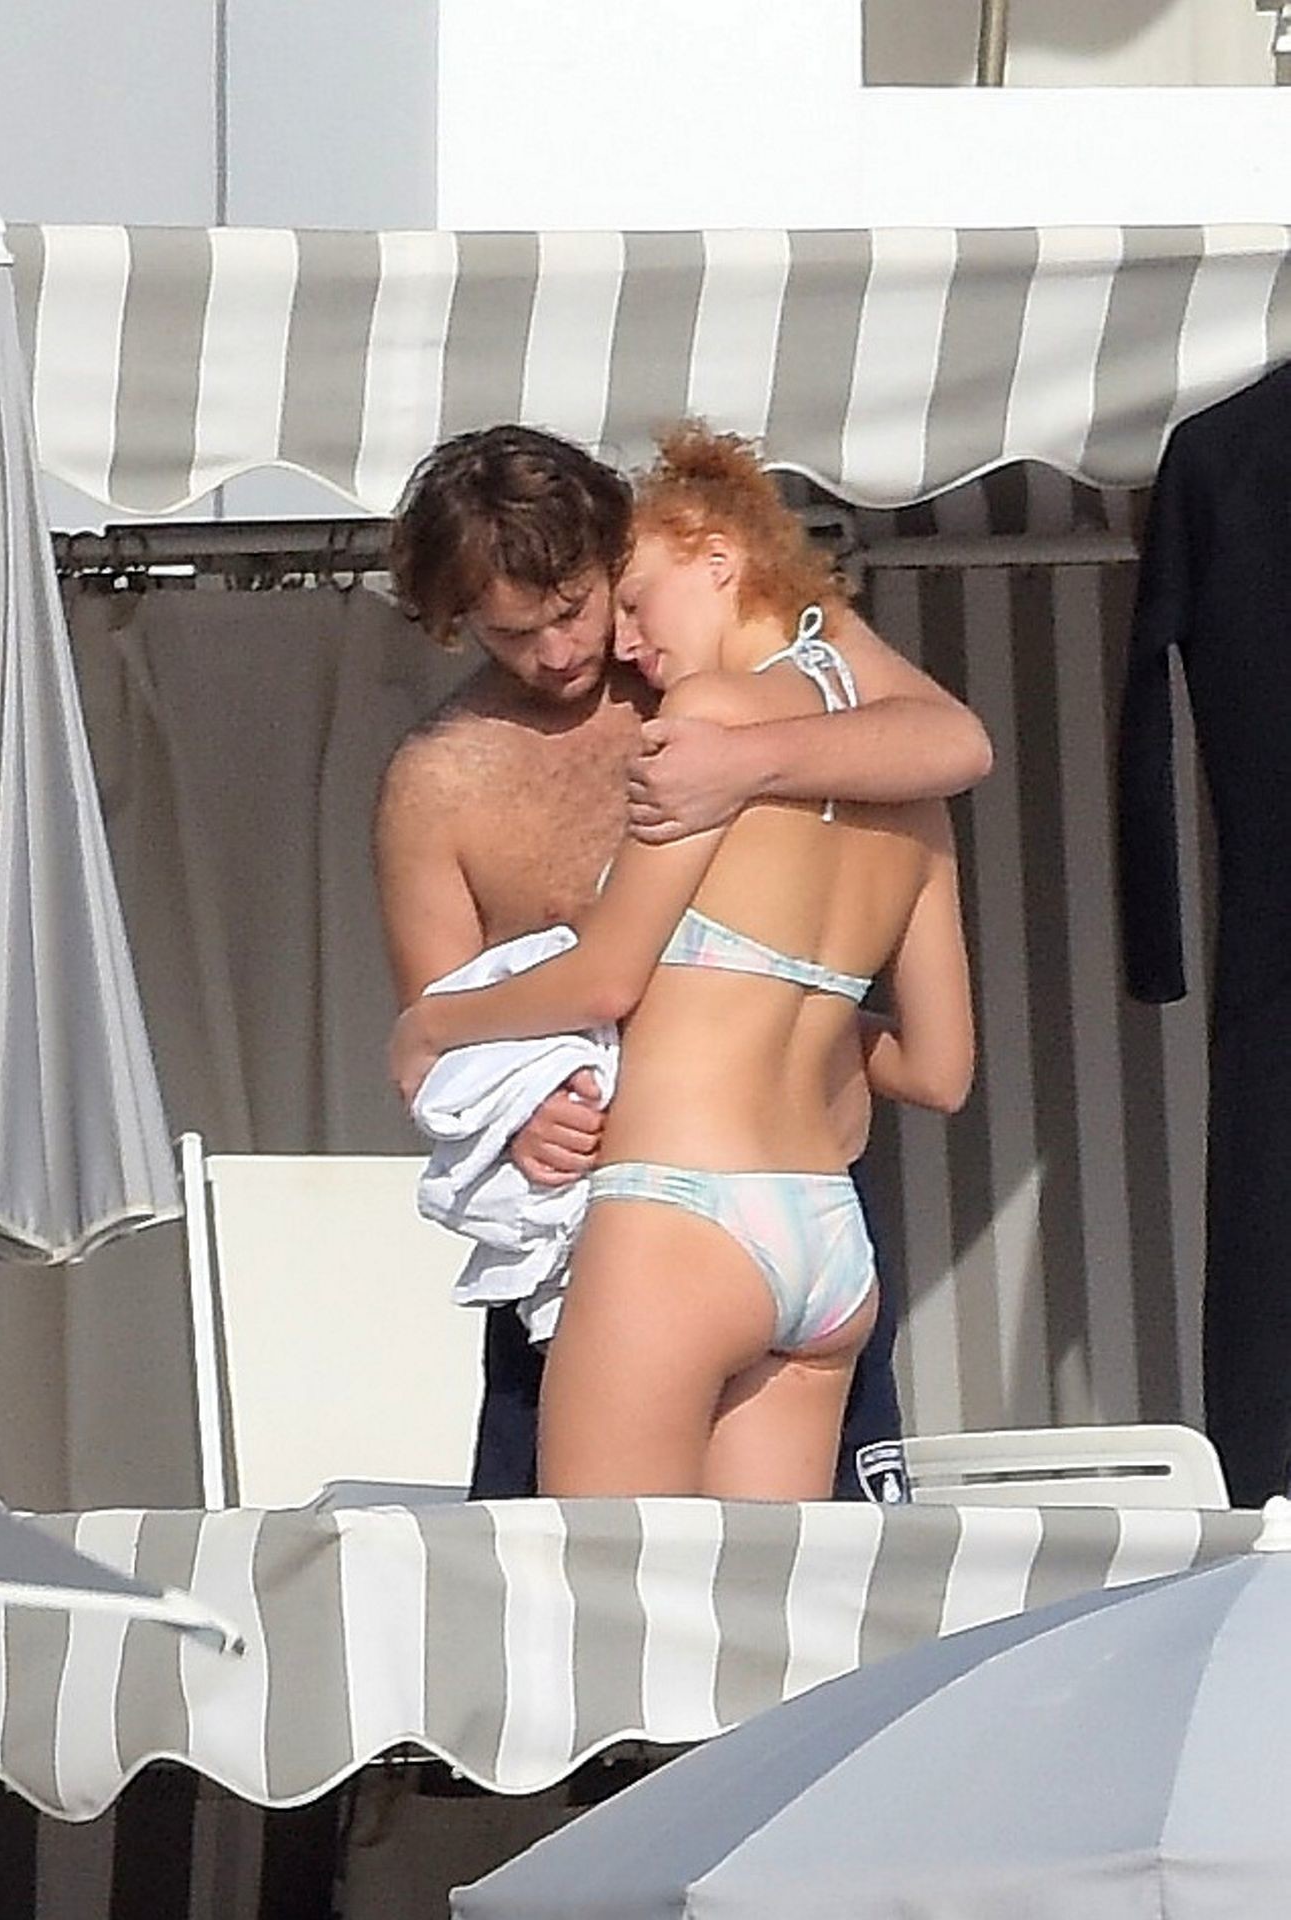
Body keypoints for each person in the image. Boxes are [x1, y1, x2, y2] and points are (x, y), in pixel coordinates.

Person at [375, 423, 990, 1496]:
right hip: (754, 1223)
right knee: (768, 1593)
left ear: (622, 557)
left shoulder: (694, 663)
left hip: (670, 1218)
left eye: (578, 607)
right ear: (454, 621)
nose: (563, 650)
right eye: (510, 633)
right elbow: (463, 1044)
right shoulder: (440, 779)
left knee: (599, 1587)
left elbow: (956, 740)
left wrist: (743, 761)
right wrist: (520, 1112)